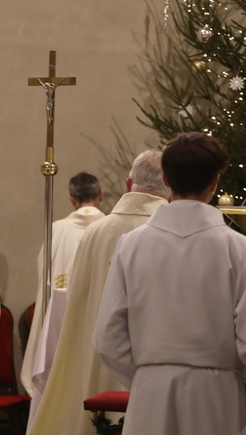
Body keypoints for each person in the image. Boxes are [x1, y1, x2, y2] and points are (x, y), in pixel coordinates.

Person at [93, 132, 246, 434]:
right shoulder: (239, 249)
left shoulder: (131, 246)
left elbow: (107, 336)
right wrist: (245, 381)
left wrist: (149, 375)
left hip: (151, 394)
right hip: (215, 396)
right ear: (215, 182)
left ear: (165, 178)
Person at [27, 149, 170, 435]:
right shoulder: (172, 231)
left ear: (129, 185)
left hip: (97, 356)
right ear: (170, 185)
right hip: (152, 368)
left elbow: (78, 308)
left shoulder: (96, 232)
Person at [20, 172, 105, 412]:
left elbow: (43, 275)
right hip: (98, 322)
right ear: (101, 195)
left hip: (62, 323)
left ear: (71, 198)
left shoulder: (56, 230)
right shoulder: (110, 228)